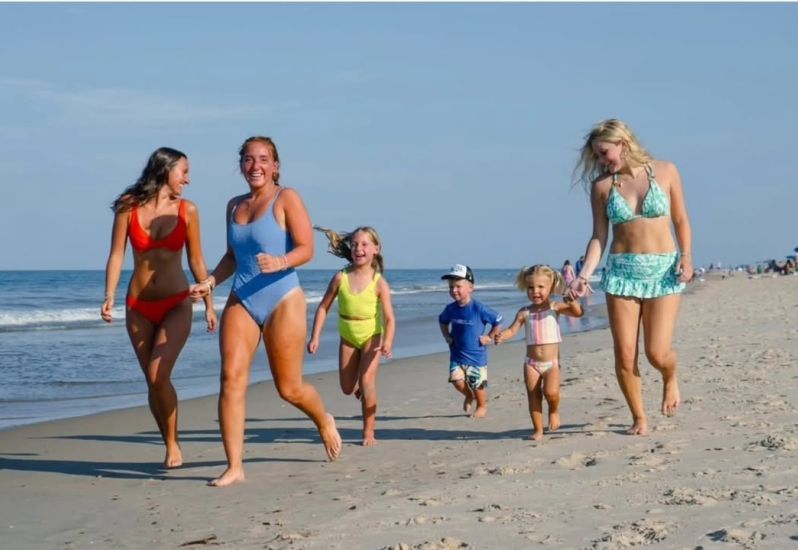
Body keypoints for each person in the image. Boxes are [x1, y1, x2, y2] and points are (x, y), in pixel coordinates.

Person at [189, 136, 342, 487]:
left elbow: (306, 248)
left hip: (282, 298)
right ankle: (234, 466)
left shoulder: (286, 197)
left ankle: (323, 419)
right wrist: (210, 282)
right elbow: (233, 256)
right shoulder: (233, 206)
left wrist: (281, 261)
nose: (255, 165)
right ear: (241, 165)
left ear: (275, 166)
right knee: (230, 378)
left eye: (262, 159)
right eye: (248, 159)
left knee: (288, 388)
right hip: (242, 297)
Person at [567, 118, 693, 435]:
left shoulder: (666, 171)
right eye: (596, 156)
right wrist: (584, 275)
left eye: (604, 152)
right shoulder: (602, 187)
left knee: (657, 353)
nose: (601, 160)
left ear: (623, 144)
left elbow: (680, 219)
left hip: (663, 272)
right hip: (622, 274)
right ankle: (639, 417)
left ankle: (669, 376)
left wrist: (686, 257)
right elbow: (599, 236)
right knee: (625, 354)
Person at [101, 147, 217, 468]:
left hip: (176, 303)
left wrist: (209, 303)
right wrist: (109, 295)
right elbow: (116, 254)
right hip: (138, 307)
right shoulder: (128, 206)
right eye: (184, 172)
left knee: (157, 373)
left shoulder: (188, 210)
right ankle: (170, 443)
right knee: (153, 382)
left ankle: (174, 442)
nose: (188, 179)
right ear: (166, 170)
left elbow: (196, 259)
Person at [307, 226, 396, 447]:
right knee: (347, 388)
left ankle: (368, 432)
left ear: (376, 249)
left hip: (371, 337)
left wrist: (387, 342)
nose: (358, 248)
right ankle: (363, 393)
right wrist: (315, 337)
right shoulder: (341, 277)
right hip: (348, 336)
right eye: (355, 244)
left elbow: (389, 318)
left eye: (364, 244)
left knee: (367, 382)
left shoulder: (379, 283)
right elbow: (323, 307)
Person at [495, 265, 583, 440]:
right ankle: (538, 430)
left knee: (551, 392)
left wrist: (572, 301)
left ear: (551, 287)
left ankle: (554, 410)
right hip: (531, 363)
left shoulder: (555, 307)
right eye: (531, 287)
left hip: (551, 364)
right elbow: (512, 330)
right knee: (533, 396)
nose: (535, 291)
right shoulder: (524, 312)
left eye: (541, 287)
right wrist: (502, 336)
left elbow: (578, 313)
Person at [438, 265, 502, 419]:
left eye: (458, 286)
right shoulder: (450, 309)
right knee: (456, 381)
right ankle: (468, 395)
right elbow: (442, 321)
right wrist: (446, 335)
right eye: (451, 287)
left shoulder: (479, 308)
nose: (454, 290)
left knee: (477, 384)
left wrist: (489, 337)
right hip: (457, 354)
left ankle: (481, 405)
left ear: (471, 288)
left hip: (476, 356)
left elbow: (498, 320)